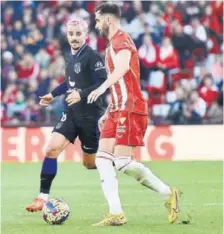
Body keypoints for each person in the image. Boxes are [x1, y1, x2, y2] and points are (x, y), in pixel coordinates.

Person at [87, 3, 181, 227]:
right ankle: (116, 213)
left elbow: (122, 69)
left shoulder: (121, 41)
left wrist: (100, 89)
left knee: (121, 162)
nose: (96, 24)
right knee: (102, 159)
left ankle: (168, 193)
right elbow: (121, 82)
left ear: (109, 20)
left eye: (98, 20)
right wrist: (109, 107)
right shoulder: (112, 44)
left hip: (130, 107)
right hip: (117, 108)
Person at [25, 19, 107, 212]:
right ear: (67, 35)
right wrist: (52, 95)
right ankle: (42, 198)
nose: (74, 37)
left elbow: (104, 82)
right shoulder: (70, 57)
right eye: (71, 34)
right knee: (51, 149)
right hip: (71, 113)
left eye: (78, 34)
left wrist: (82, 94)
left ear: (85, 35)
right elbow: (69, 83)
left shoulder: (93, 57)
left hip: (90, 117)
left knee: (89, 164)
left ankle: (115, 164)